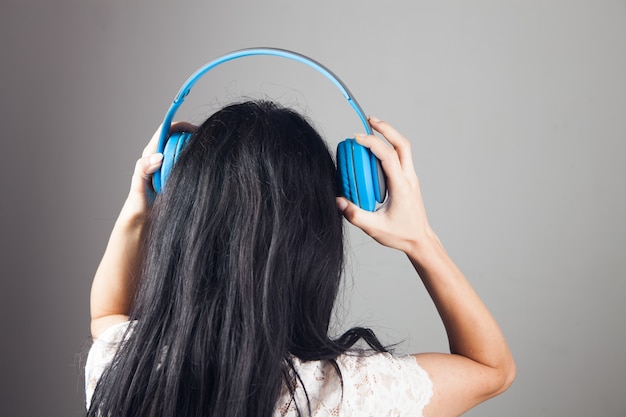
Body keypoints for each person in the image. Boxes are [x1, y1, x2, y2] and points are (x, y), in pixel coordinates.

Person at [85, 100, 515, 417]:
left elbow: (107, 314)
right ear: (315, 242)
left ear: (184, 223)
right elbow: (491, 369)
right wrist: (420, 240)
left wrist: (137, 206)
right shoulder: (347, 395)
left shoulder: (127, 370)